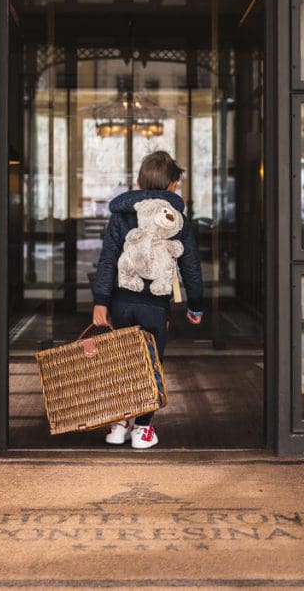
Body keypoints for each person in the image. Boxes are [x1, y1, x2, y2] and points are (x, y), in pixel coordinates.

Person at [91, 151, 204, 449]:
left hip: (120, 302)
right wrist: (196, 304)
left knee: (121, 362)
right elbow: (190, 264)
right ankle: (142, 429)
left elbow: (107, 260)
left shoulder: (121, 214)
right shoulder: (176, 218)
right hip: (155, 306)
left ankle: (118, 425)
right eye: (176, 185)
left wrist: (101, 301)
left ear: (139, 182)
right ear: (171, 186)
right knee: (150, 363)